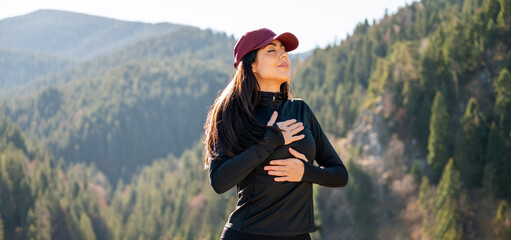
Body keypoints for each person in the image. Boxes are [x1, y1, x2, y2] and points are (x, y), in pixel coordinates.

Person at [203, 28, 348, 240]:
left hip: (298, 235)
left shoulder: (300, 111)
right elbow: (219, 181)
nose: (283, 55)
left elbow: (340, 175)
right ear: (251, 65)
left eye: (284, 51)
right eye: (271, 50)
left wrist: (306, 172)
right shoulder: (232, 114)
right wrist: (269, 142)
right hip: (246, 234)